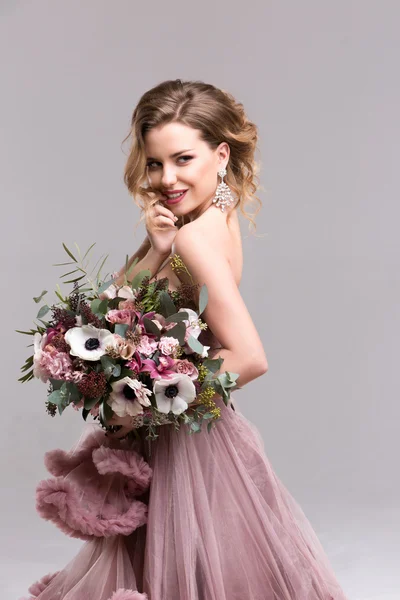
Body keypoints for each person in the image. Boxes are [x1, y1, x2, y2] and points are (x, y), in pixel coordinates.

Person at [21, 79, 349, 600]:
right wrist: (154, 249)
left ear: (221, 155)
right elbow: (114, 306)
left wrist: (144, 407)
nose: (166, 178)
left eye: (182, 159)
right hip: (198, 437)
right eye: (154, 163)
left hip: (184, 447)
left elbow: (248, 357)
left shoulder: (195, 236)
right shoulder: (210, 218)